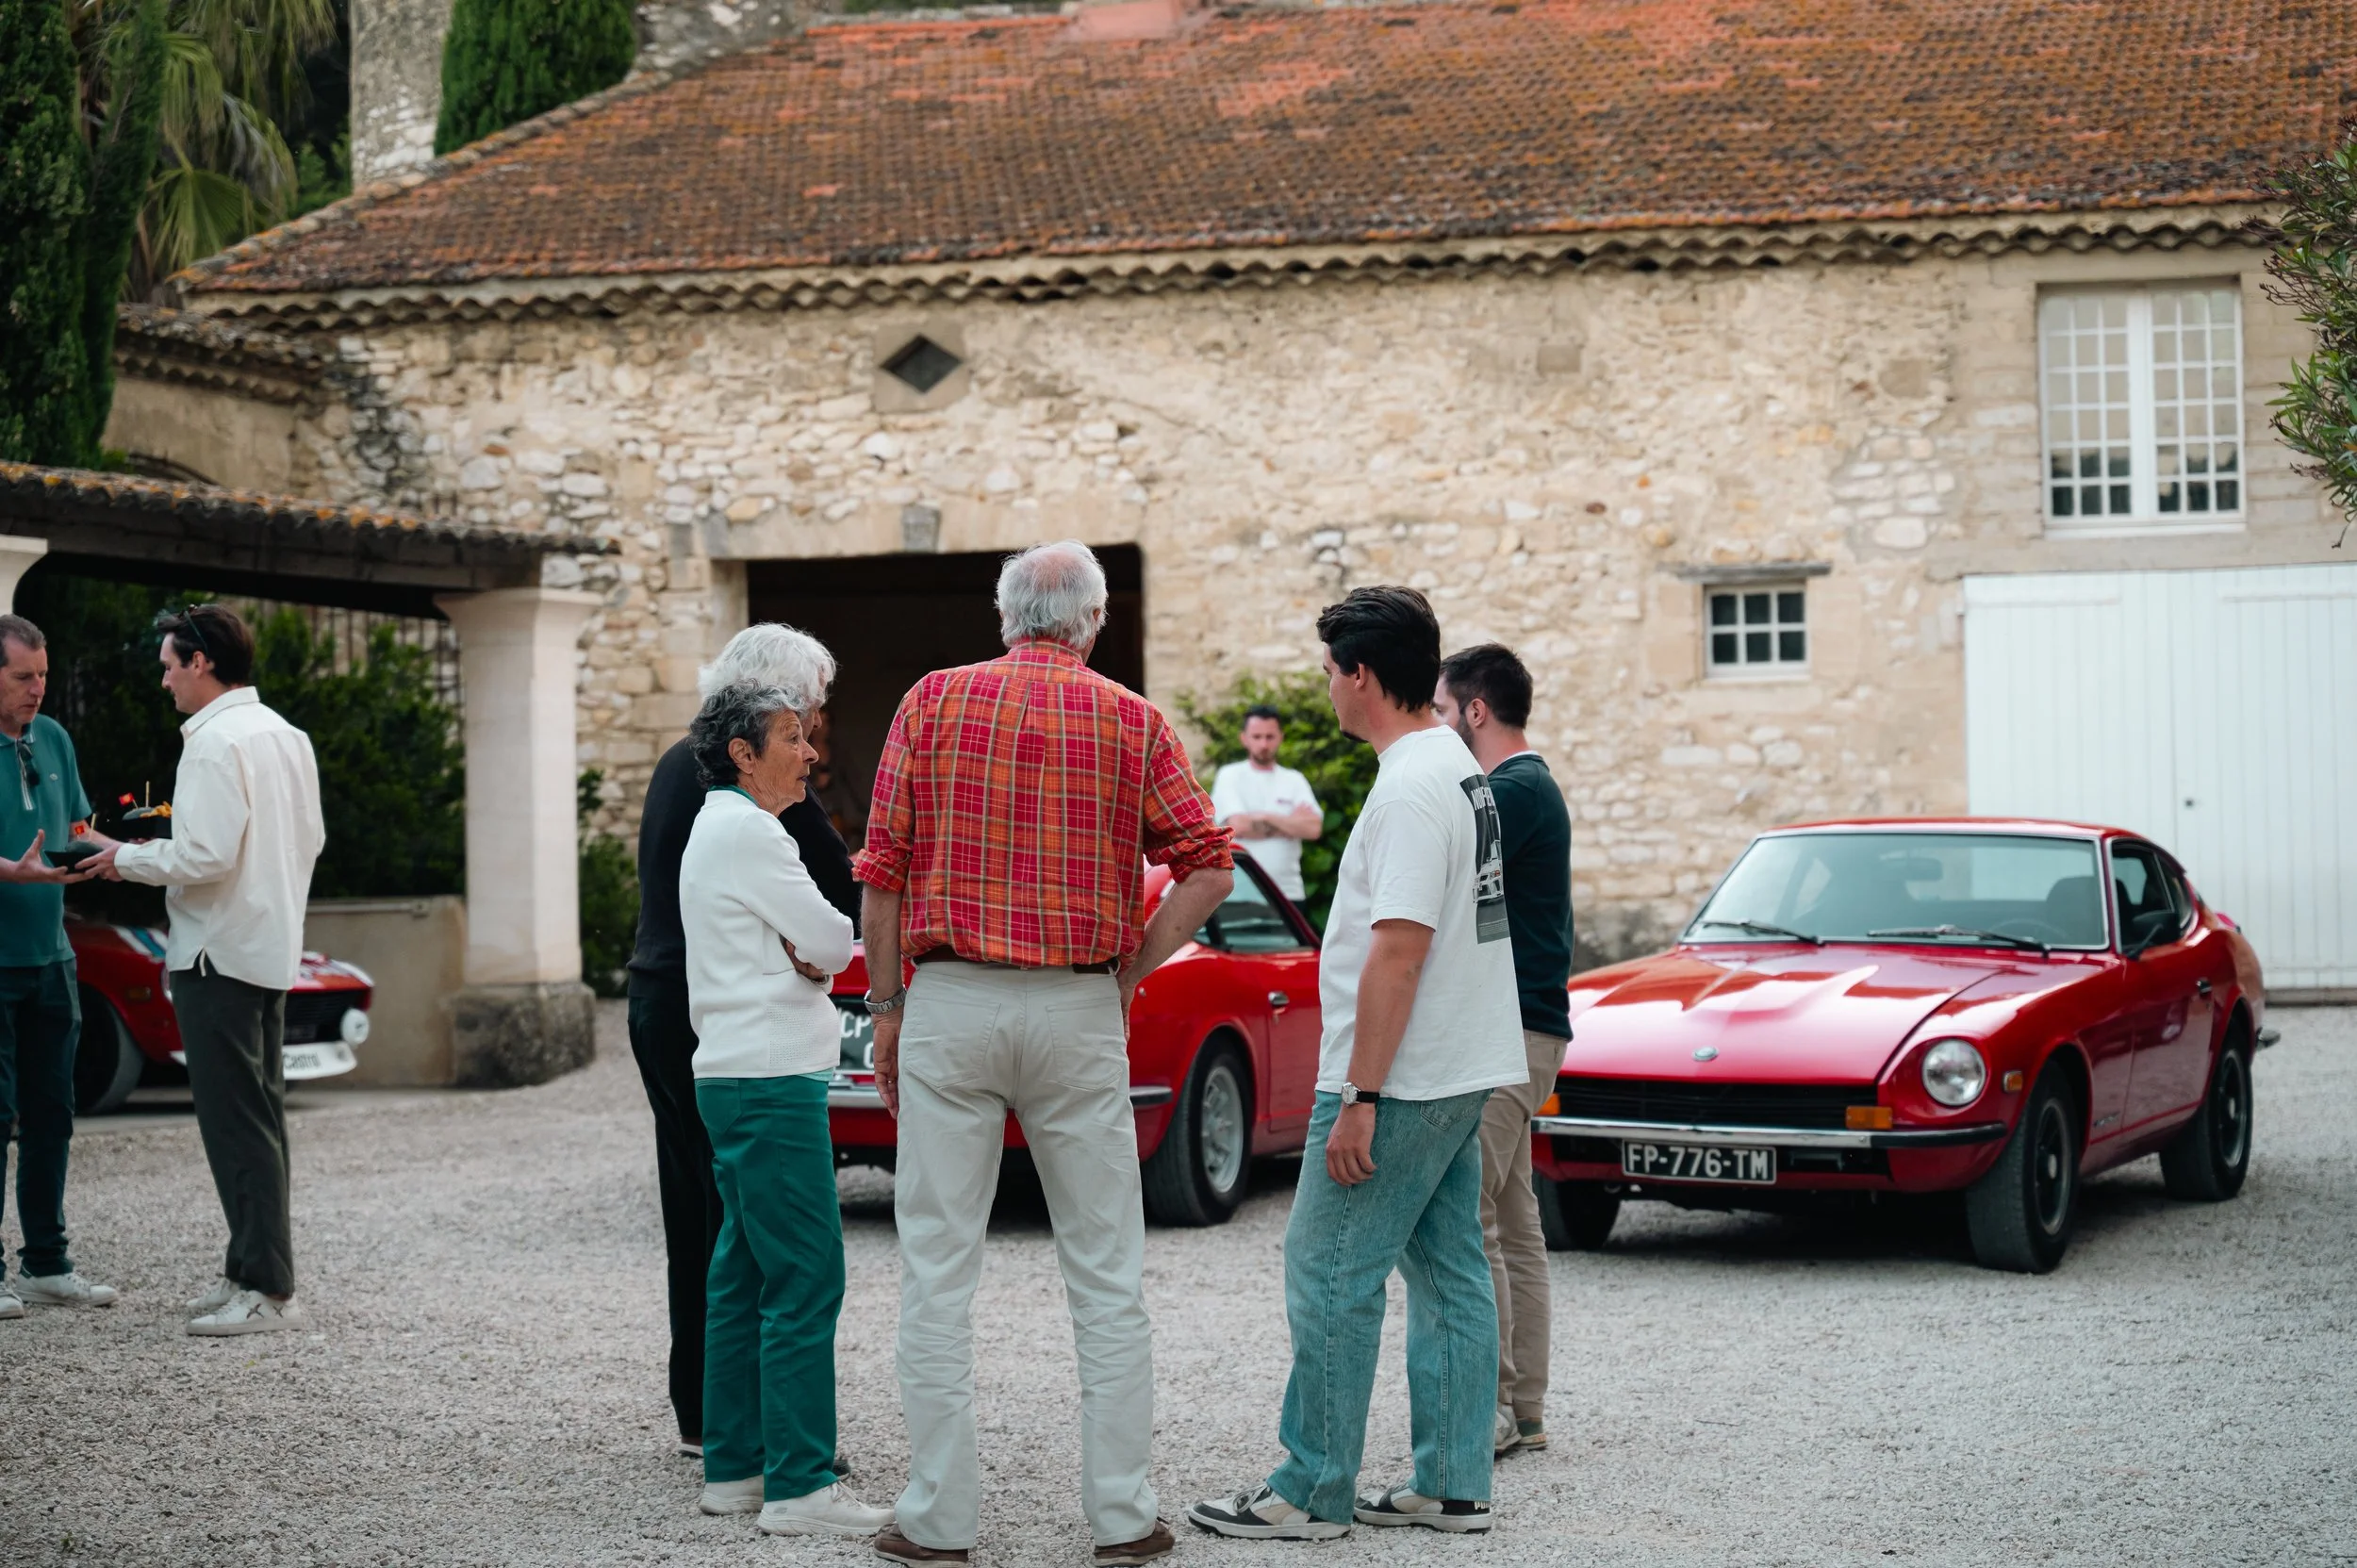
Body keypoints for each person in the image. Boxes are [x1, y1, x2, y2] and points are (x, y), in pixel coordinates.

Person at [855, 540, 1234, 1568]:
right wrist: (1129, 973)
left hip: (953, 998)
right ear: (1095, 622)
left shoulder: (931, 701)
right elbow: (1207, 868)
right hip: (1074, 1005)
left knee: (937, 1267)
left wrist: (887, 1008)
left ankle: (937, 1517)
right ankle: (1121, 1515)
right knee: (1105, 1271)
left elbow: (881, 872)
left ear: (1003, 614)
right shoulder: (1131, 716)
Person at [1188, 586, 1524, 1542]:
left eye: (1330, 670)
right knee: (1448, 1262)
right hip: (1459, 1061)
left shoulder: (1414, 784)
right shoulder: (1452, 767)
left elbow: (1400, 949)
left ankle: (1311, 1487)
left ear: (1362, 674)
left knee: (1327, 1265)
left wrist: (1362, 1096)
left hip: (1403, 1074)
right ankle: (1453, 1481)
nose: (1325, 688)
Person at [626, 623, 860, 1460]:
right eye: (805, 718)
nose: (812, 739)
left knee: (703, 1216)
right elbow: (841, 902)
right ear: (767, 715)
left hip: (661, 997)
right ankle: (762, 1434)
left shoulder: (679, 764)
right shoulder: (757, 798)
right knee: (767, 1236)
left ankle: (707, 1417)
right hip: (728, 1019)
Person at [677, 679, 894, 1539]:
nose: (810, 752)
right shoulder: (753, 834)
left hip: (733, 1073)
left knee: (740, 1273)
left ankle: (736, 1467)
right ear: (742, 752)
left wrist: (808, 950)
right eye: (792, 736)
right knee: (806, 1274)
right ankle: (801, 1483)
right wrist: (815, 952)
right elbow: (837, 937)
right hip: (770, 1077)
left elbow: (816, 944)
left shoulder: (716, 828)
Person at [86, 604, 324, 1337]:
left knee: (235, 1123)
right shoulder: (287, 734)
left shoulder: (217, 743)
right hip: (267, 945)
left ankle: (264, 1285)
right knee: (259, 1118)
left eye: (168, 665)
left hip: (217, 951)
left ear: (200, 662)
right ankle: (250, 1268)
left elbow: (204, 856)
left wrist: (119, 856)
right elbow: (309, 838)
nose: (163, 680)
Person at [1434, 643, 1574, 1459]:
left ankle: (1484, 1413)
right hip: (1533, 1028)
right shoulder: (1531, 787)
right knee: (1516, 1221)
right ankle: (1524, 1410)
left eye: (1446, 710)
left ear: (1475, 711)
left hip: (1510, 1031)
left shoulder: (1507, 792)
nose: (1440, 724)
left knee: (1471, 1217)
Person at [0, 614, 119, 1319]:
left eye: (42, 674)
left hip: (54, 961)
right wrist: (10, 872)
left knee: (53, 1115)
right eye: (23, 677)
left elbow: (75, 831)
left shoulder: (54, 739)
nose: (38, 689)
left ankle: (47, 1263)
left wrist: (137, 856)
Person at [1210, 705, 1323, 901]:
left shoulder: (1294, 779)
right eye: (1257, 736)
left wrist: (1264, 817)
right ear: (1244, 739)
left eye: (1270, 737)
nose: (1263, 744)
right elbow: (1237, 826)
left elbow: (1313, 828)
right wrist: (1290, 824)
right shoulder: (1230, 775)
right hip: (1240, 895)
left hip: (1289, 895)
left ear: (1281, 737)